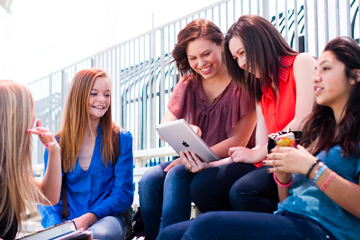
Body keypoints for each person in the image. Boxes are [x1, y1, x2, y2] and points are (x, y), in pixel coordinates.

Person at [158, 36, 360, 240]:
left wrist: (313, 168)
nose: (315, 77)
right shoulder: (322, 132)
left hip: (323, 230)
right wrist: (283, 179)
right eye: (316, 71)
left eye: (325, 69)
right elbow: (286, 200)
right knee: (170, 235)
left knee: (206, 226)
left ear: (355, 76)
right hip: (289, 216)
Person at [138, 18, 257, 240]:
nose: (200, 63)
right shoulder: (189, 84)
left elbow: (239, 141)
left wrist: (195, 158)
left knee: (176, 174)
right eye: (193, 58)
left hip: (229, 161)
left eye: (206, 54)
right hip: (194, 158)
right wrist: (186, 128)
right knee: (149, 180)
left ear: (222, 45)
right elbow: (163, 126)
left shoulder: (243, 83)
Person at [187, 14, 316, 214]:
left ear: (261, 41)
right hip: (270, 161)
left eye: (243, 52)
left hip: (299, 158)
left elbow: (302, 123)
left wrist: (258, 151)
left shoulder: (301, 62)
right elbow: (259, 149)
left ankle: (292, 225)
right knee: (202, 187)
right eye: (236, 58)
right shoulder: (259, 88)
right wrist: (211, 164)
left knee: (242, 192)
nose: (241, 63)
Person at [38, 68, 133, 240]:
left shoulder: (120, 139)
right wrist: (57, 227)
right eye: (94, 93)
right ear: (79, 96)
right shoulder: (57, 144)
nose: (102, 100)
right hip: (67, 221)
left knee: (97, 235)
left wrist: (90, 217)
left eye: (107, 94)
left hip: (106, 219)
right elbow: (48, 195)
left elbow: (123, 193)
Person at [0, 80, 62, 240]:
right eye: (30, 109)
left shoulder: (10, 172)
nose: (35, 117)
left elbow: (49, 196)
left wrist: (54, 151)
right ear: (16, 117)